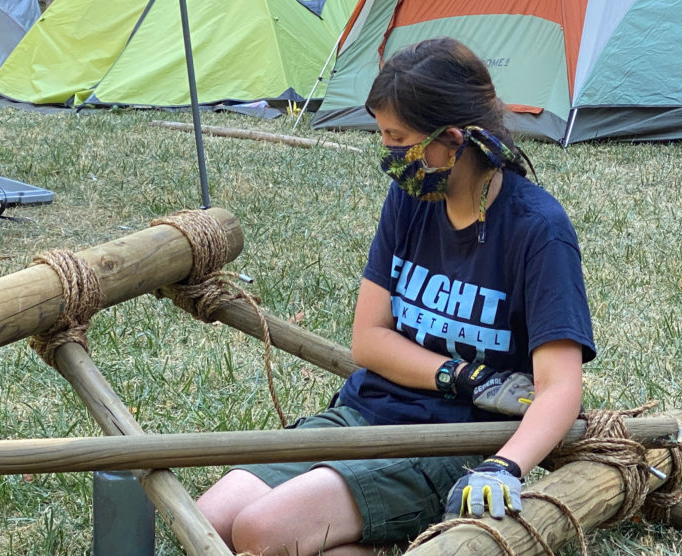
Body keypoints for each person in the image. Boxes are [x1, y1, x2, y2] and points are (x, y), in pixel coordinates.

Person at [196, 37, 596, 555]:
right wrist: (462, 375)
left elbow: (561, 388)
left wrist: (506, 465)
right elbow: (369, 340)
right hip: (368, 414)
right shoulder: (410, 200)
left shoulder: (538, 230)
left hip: (456, 443)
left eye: (396, 138)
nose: (388, 154)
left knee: (261, 531)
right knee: (210, 520)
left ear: (452, 140)